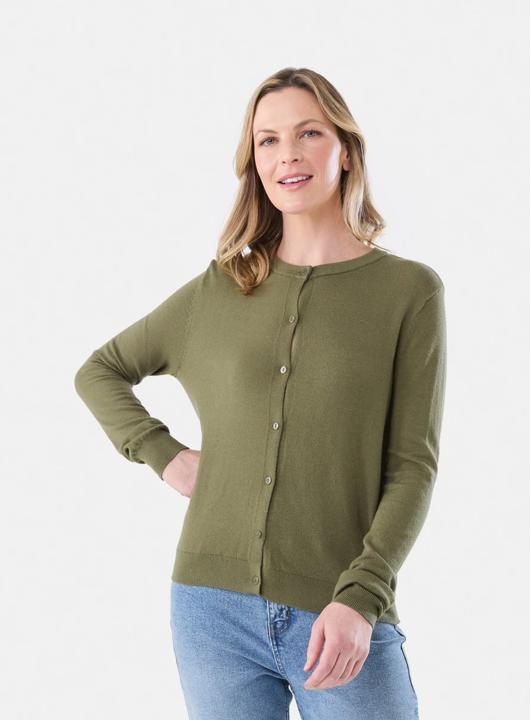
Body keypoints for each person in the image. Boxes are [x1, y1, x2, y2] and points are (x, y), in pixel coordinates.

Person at [74, 67, 447, 720]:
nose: (288, 155)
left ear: (346, 150)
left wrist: (362, 596)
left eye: (309, 133)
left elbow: (412, 465)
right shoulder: (222, 288)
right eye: (268, 140)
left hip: (340, 609)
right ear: (254, 161)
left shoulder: (407, 291)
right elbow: (100, 370)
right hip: (209, 608)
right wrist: (163, 454)